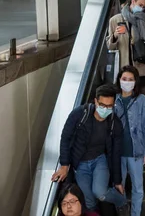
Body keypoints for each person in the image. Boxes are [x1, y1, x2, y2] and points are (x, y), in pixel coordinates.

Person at [52, 84, 130, 216]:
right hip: (80, 164)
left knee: (100, 193)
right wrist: (65, 165)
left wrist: (117, 181)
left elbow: (116, 153)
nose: (105, 109)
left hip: (99, 161)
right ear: (95, 101)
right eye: (102, 105)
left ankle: (122, 202)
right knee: (88, 201)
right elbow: (65, 137)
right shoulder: (80, 114)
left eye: (109, 106)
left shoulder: (114, 123)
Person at [115, 66, 145, 216]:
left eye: (130, 80)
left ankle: (135, 214)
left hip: (136, 152)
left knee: (137, 187)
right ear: (119, 80)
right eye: (124, 79)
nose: (127, 82)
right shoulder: (114, 99)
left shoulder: (142, 101)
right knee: (119, 186)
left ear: (135, 82)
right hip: (117, 153)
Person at [107, 0, 145, 98]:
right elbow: (110, 46)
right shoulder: (115, 20)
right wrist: (115, 35)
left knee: (144, 99)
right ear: (133, 1)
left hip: (143, 65)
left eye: (144, 7)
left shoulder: (143, 18)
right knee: (127, 99)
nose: (141, 8)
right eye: (140, 5)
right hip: (126, 67)